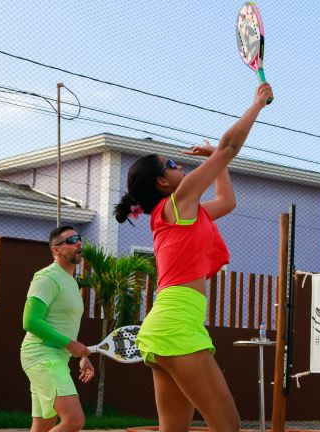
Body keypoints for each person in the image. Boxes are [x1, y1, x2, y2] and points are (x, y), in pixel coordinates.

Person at [113, 83, 274, 432]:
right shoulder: (177, 203)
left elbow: (228, 202)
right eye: (172, 164)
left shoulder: (183, 213)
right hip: (176, 326)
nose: (180, 166)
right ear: (162, 182)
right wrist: (256, 105)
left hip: (164, 327)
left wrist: (216, 161)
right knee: (228, 427)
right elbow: (230, 147)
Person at [20, 226, 95, 432]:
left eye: (79, 239)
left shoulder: (70, 281)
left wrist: (81, 355)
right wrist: (70, 344)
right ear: (56, 250)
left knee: (44, 425)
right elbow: (30, 322)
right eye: (71, 241)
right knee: (74, 420)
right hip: (41, 356)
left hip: (56, 357)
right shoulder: (47, 277)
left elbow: (64, 327)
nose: (78, 243)